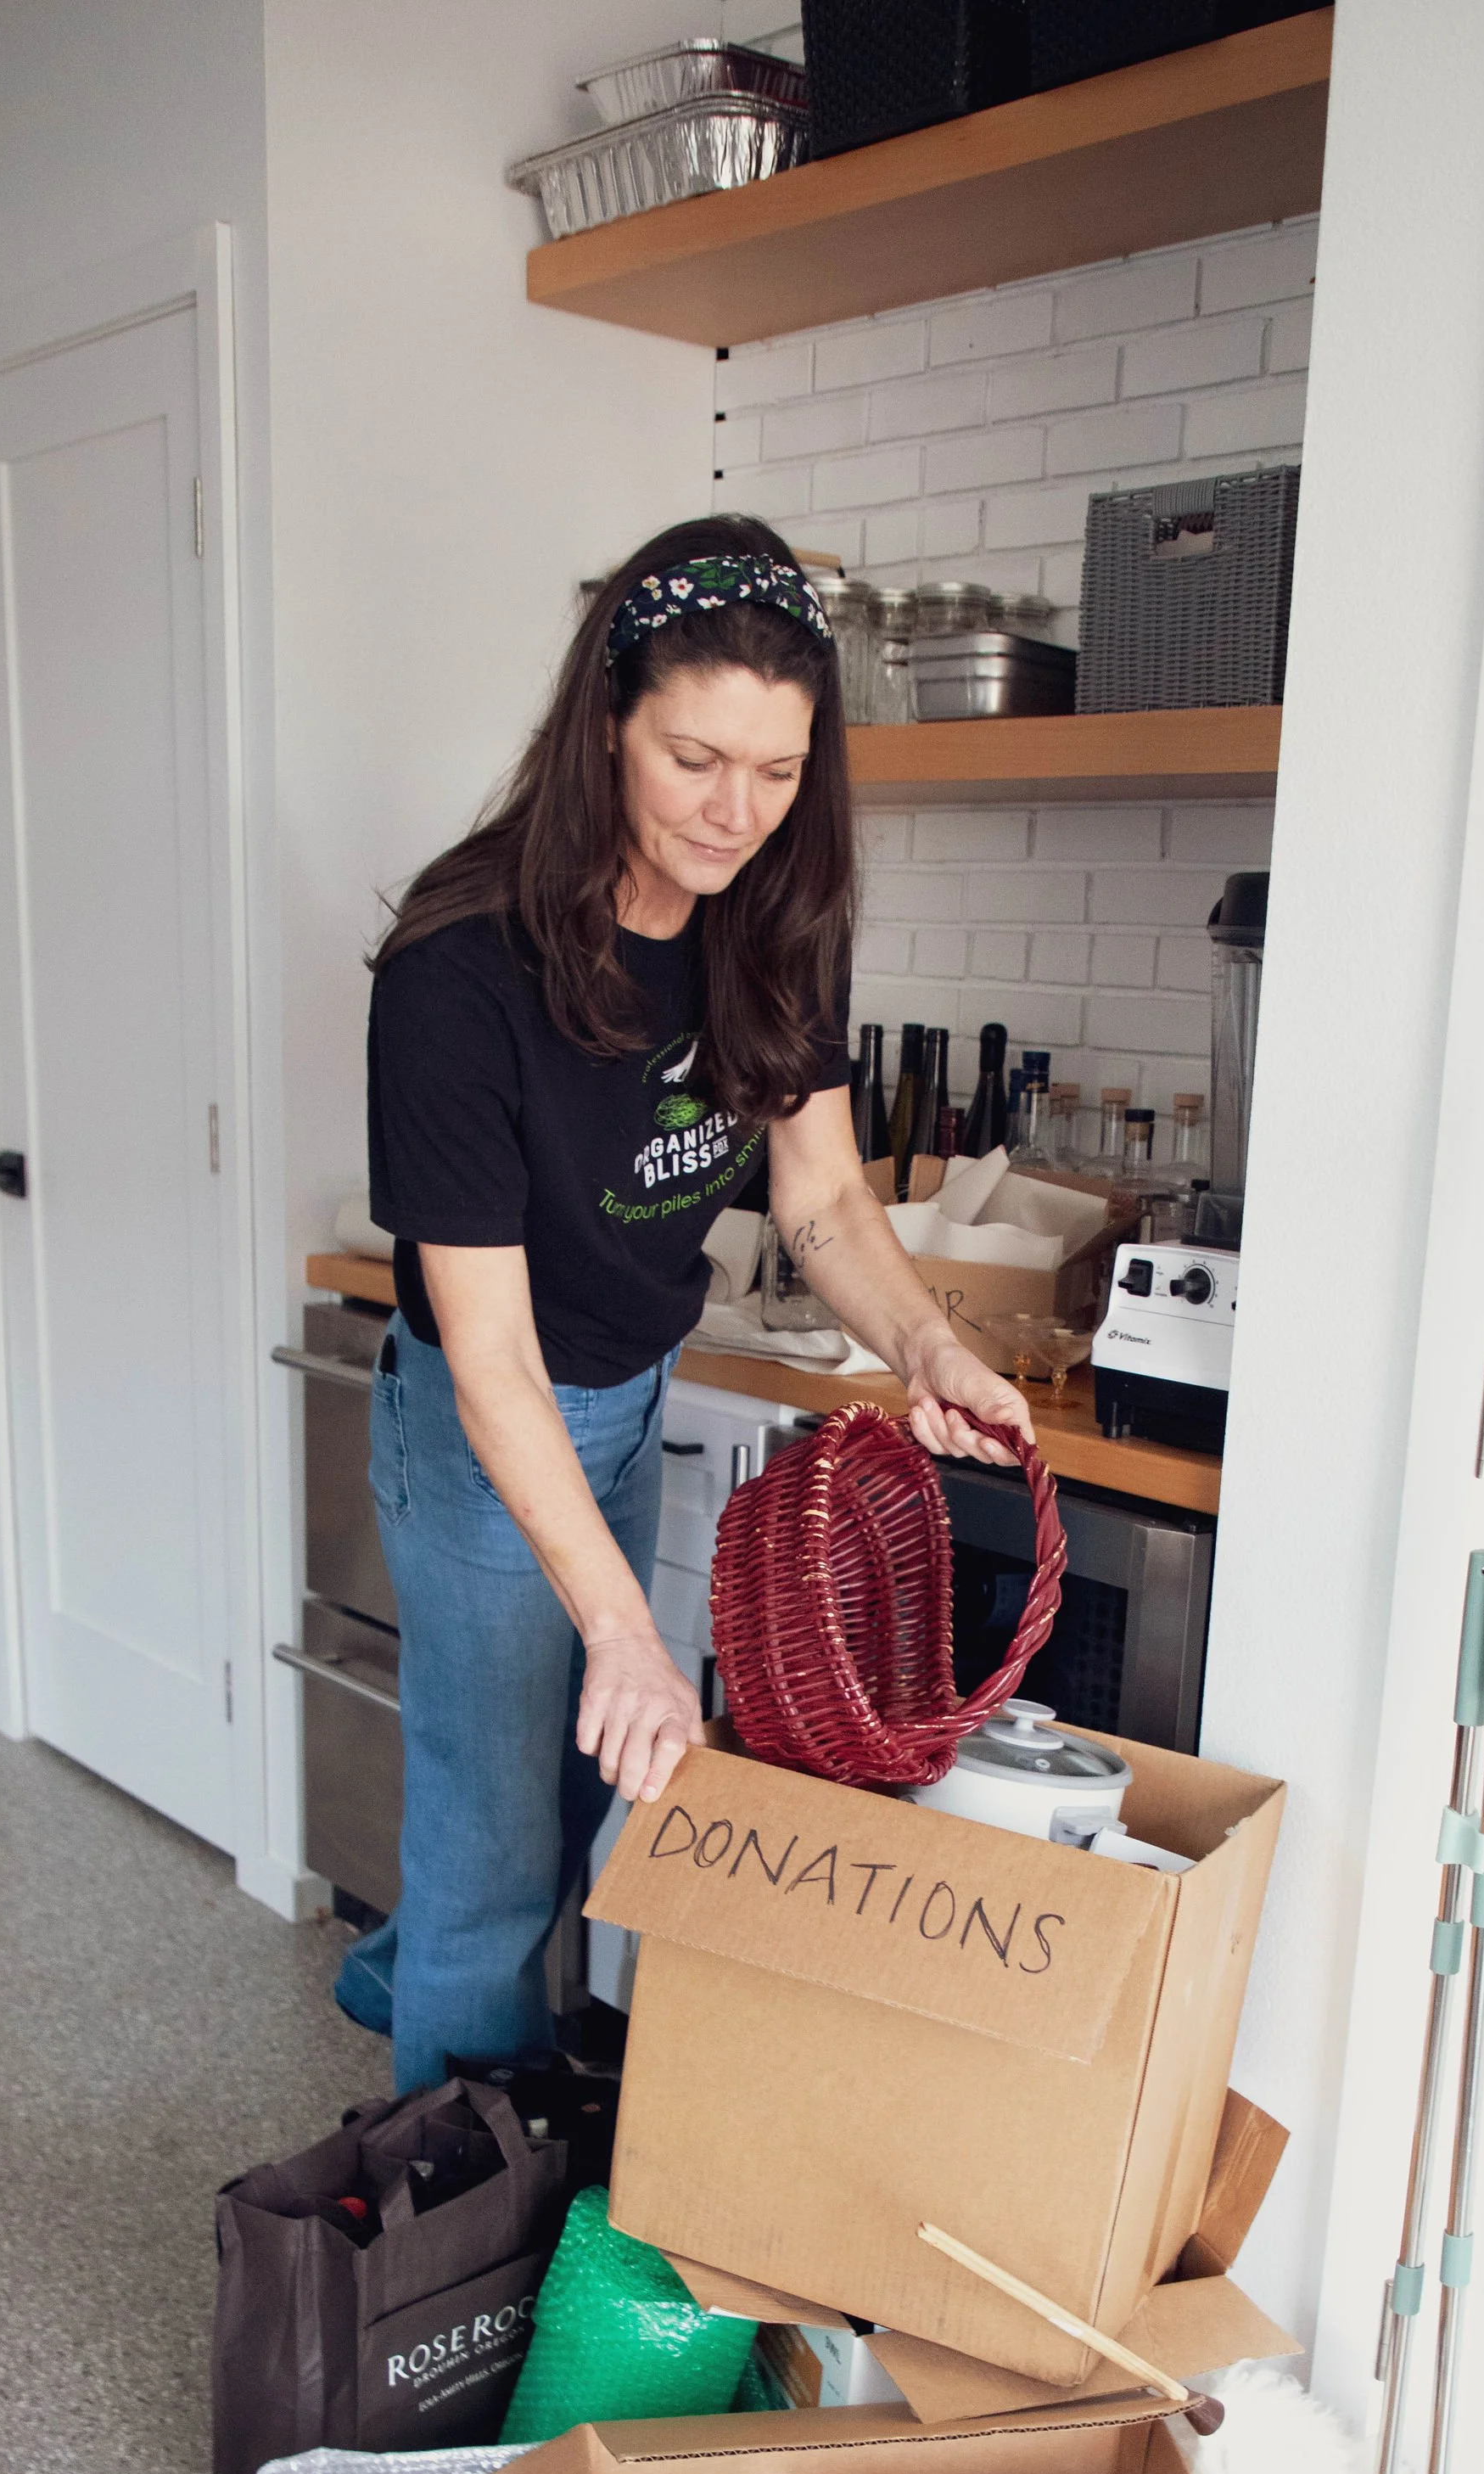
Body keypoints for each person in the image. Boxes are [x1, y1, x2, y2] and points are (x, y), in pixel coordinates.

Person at [333, 517, 1029, 2087]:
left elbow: (827, 1196)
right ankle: (460, 2262)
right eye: (696, 761)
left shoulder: (774, 915)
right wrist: (622, 1625)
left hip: (627, 1389)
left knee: (567, 1803)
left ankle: (416, 1982)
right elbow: (495, 1362)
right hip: (479, 1422)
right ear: (605, 730)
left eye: (778, 773)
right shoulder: (460, 972)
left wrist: (929, 1344)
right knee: (501, 1850)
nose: (737, 815)